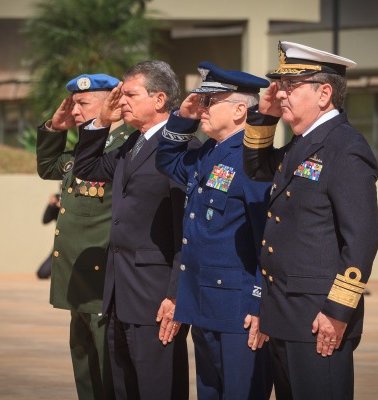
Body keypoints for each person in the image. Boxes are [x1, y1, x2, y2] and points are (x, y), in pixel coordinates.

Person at [242, 41, 378, 399]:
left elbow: (361, 238)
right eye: (281, 86)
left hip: (319, 319)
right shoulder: (302, 145)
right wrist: (266, 114)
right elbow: (257, 169)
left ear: (324, 93)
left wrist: (338, 311)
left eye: (291, 86)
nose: (281, 93)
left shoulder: (344, 147)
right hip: (285, 314)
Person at [72, 60, 200, 400]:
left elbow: (185, 233)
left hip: (155, 297)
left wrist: (175, 295)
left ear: (159, 100)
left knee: (158, 388)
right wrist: (101, 121)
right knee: (123, 387)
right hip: (120, 293)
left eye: (130, 94)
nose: (121, 100)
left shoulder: (183, 149)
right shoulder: (134, 143)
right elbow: (87, 168)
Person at [155, 61, 274, 399]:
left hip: (238, 308)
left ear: (240, 110)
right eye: (202, 101)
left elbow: (265, 238)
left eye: (210, 101)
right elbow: (166, 162)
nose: (202, 108)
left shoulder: (253, 158)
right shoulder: (209, 151)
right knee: (210, 393)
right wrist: (182, 118)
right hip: (202, 301)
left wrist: (259, 301)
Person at [36, 73, 128, 400]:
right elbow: (48, 166)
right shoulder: (81, 154)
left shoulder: (124, 149)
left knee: (106, 364)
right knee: (83, 358)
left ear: (110, 104)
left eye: (83, 103)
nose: (75, 110)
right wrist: (54, 129)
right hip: (77, 276)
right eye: (73, 103)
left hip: (102, 276)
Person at [36, 192, 61, 279]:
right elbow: (45, 220)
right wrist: (51, 205)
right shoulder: (56, 206)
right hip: (60, 246)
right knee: (42, 273)